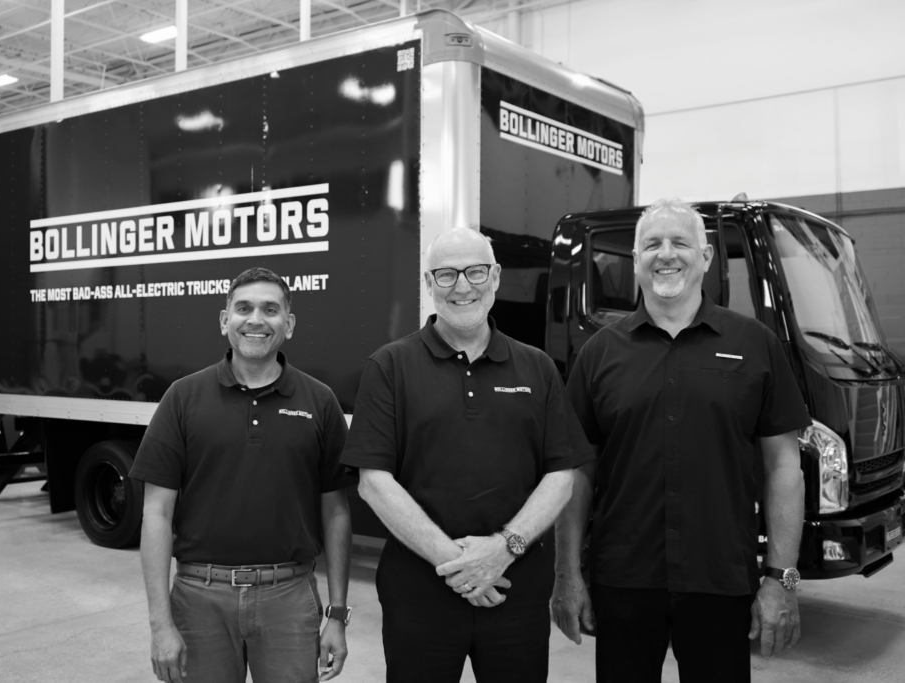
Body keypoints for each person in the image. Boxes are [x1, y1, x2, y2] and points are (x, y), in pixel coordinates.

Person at [553, 198, 812, 682]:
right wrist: (566, 575)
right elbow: (577, 472)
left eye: (680, 243)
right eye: (651, 244)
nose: (665, 254)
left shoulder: (755, 345)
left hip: (721, 579)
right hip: (623, 581)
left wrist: (782, 580)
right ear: (635, 261)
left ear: (706, 257)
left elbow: (784, 468)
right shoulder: (598, 354)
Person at [341, 227, 594, 683]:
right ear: (429, 283)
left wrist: (502, 550)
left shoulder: (536, 367)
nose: (462, 286)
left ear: (495, 277)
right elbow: (373, 482)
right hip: (420, 594)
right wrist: (459, 565)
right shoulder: (390, 366)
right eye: (447, 274)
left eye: (476, 271)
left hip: (514, 590)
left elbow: (562, 474)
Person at [130, 267, 356, 683]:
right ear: (224, 321)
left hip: (289, 596)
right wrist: (160, 624)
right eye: (243, 308)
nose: (256, 320)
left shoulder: (319, 401)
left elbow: (336, 513)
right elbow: (156, 514)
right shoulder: (182, 397)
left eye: (270, 309)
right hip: (199, 597)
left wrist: (337, 615)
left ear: (287, 325)